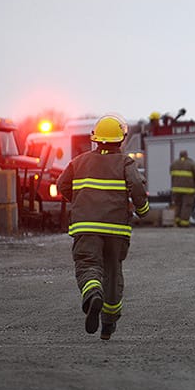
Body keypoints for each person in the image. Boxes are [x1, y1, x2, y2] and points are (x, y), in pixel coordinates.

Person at [56, 115, 150, 341]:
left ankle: (92, 294)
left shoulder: (78, 162)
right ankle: (108, 324)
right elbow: (136, 185)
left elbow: (61, 184)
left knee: (88, 264)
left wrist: (80, 201)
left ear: (96, 139)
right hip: (116, 230)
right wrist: (143, 209)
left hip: (86, 227)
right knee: (112, 272)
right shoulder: (126, 162)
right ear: (121, 140)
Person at [169, 149, 195, 227]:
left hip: (176, 189)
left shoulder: (174, 164)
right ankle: (184, 223)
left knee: (178, 205)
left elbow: (171, 174)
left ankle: (177, 221)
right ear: (186, 155)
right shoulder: (191, 164)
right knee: (186, 206)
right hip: (188, 190)